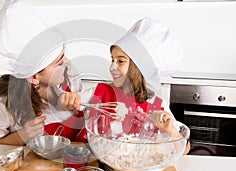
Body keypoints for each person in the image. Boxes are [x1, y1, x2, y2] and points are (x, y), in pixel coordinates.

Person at [60, 17, 190, 154]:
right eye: (112, 60)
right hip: (94, 162)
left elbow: (184, 149)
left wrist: (169, 130)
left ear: (140, 67)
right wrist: (68, 100)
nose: (112, 67)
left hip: (135, 168)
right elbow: (65, 104)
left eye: (120, 61)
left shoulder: (158, 106)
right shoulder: (99, 92)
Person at [0, 0, 84, 145]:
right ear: (33, 77)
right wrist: (22, 135)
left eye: (64, 55)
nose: (67, 62)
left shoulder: (70, 77)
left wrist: (80, 103)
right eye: (59, 62)